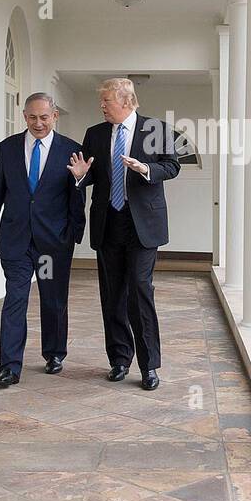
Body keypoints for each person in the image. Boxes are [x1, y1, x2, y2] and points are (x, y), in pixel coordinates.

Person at [67, 78, 180, 390]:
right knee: (112, 294)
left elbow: (172, 166)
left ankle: (149, 366)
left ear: (127, 102)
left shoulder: (155, 129)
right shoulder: (95, 134)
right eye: (101, 102)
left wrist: (145, 169)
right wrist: (81, 177)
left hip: (143, 225)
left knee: (140, 290)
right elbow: (91, 174)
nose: (102, 107)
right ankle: (119, 359)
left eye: (107, 101)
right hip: (108, 222)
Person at [0, 93, 85, 386]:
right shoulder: (8, 148)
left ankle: (54, 353)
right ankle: (9, 367)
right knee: (15, 298)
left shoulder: (71, 150)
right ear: (24, 116)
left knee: (52, 299)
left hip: (52, 244)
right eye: (32, 117)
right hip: (16, 240)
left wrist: (74, 234)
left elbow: (76, 198)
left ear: (55, 116)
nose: (38, 123)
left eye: (44, 117)